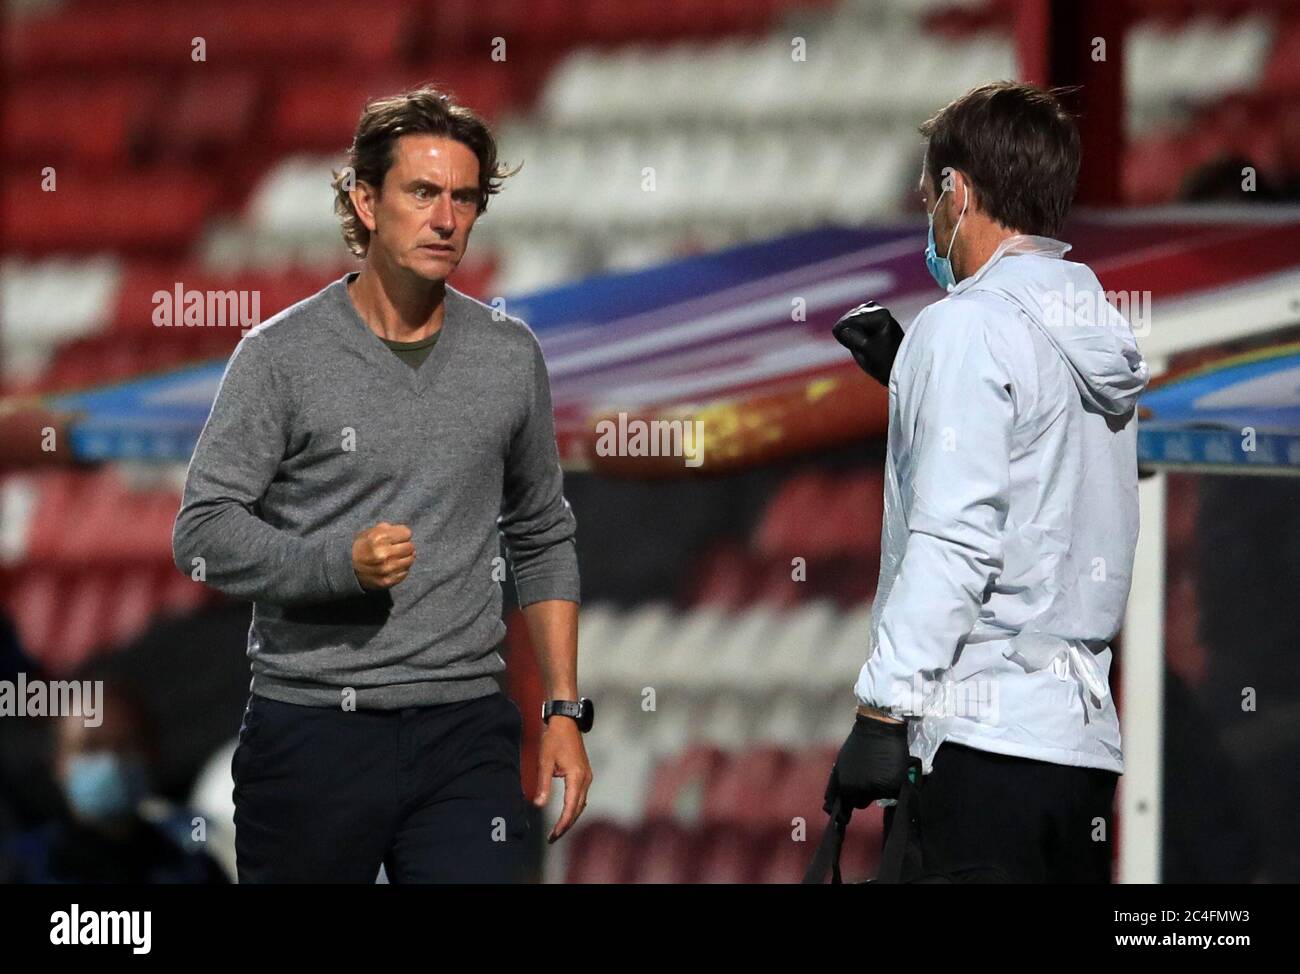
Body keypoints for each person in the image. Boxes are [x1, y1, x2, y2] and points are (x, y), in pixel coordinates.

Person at [172, 85, 592, 883]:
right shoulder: (279, 356)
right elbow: (202, 531)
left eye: (465, 199)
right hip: (312, 733)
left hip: (466, 735)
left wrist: (565, 709)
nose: (447, 219)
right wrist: (339, 566)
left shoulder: (509, 356)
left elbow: (540, 531)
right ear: (365, 202)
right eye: (424, 193)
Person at [828, 81, 1149, 882]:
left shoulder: (965, 327)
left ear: (958, 190)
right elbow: (1041, 475)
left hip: (980, 739)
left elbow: (956, 540)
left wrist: (881, 706)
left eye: (930, 192)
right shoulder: (1093, 324)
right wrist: (911, 377)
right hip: (1076, 748)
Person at [3, 685, 227, 884]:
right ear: (58, 763)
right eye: (90, 747)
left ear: (151, 754)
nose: (110, 761)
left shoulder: (193, 867)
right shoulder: (24, 868)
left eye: (125, 746)